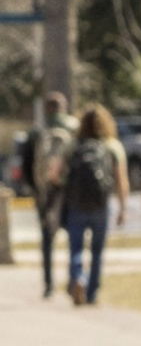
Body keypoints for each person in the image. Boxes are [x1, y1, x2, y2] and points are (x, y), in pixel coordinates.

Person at [50, 103, 127, 305]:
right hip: (101, 205)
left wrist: (65, 185)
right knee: (97, 252)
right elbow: (121, 180)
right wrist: (123, 208)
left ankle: (79, 278)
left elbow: (53, 174)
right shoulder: (112, 146)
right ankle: (92, 294)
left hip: (76, 204)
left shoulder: (73, 145)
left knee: (75, 249)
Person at [27, 92, 78, 299]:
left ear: (46, 108)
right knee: (74, 237)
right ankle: (73, 281)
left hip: (45, 193)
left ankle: (49, 284)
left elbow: (26, 164)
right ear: (63, 107)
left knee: (47, 240)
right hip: (69, 193)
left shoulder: (37, 131)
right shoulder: (74, 128)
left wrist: (36, 190)